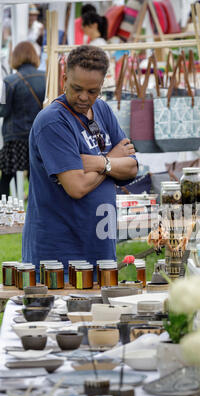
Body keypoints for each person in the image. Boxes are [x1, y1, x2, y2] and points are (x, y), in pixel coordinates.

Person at [22, 45, 138, 277]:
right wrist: (112, 160)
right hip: (60, 257)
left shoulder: (102, 110)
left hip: (99, 249)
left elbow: (133, 167)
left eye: (92, 91)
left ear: (102, 84)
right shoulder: (53, 122)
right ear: (64, 78)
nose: (84, 97)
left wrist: (99, 162)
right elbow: (76, 186)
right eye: (77, 89)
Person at [0, 41, 45, 197]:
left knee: (6, 177)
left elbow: (3, 111)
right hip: (39, 135)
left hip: (15, 137)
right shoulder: (46, 77)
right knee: (36, 176)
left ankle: (3, 214)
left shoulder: (9, 81)